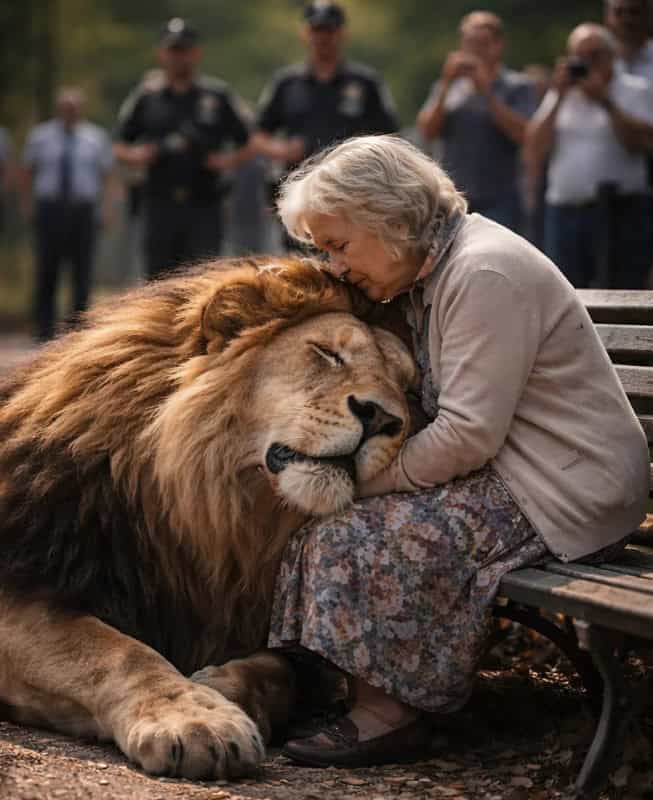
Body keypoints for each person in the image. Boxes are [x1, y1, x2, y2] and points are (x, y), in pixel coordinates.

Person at [266, 134, 649, 767]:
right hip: (522, 472)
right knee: (334, 525)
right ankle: (358, 690)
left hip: (571, 491)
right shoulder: (432, 270)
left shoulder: (481, 271)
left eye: (338, 245)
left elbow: (469, 434)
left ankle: (388, 715)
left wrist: (366, 486)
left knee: (354, 534)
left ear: (389, 218)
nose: (334, 265)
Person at [113, 18, 251, 279]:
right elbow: (120, 145)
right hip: (159, 203)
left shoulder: (216, 95)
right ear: (161, 53)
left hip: (204, 203)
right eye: (173, 50)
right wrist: (138, 155)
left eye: (184, 50)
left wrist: (225, 161)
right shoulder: (147, 97)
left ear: (196, 52)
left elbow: (250, 141)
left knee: (200, 279)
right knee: (157, 282)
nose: (179, 57)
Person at [252, 0, 398, 234]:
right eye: (317, 30)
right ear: (305, 33)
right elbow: (257, 137)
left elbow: (390, 136)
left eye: (329, 30)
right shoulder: (287, 83)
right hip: (300, 189)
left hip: (352, 191)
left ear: (342, 34)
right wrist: (283, 150)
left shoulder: (365, 84)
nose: (323, 37)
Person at [525, 23, 653, 288]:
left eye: (595, 55)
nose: (586, 63)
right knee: (566, 293)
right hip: (565, 212)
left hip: (620, 212)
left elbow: (638, 143)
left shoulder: (635, 89)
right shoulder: (561, 94)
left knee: (623, 291)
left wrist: (605, 101)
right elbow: (534, 145)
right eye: (579, 57)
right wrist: (558, 96)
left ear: (611, 56)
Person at [416, 11, 537, 234]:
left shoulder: (518, 86)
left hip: (500, 198)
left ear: (499, 45)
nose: (475, 51)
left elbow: (524, 134)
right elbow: (426, 130)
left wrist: (487, 93)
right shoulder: (449, 87)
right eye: (469, 43)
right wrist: (445, 84)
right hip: (454, 198)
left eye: (482, 44)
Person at [21, 87, 114, 341]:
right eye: (65, 107)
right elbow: (28, 172)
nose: (70, 111)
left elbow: (106, 176)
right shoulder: (41, 137)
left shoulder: (95, 138)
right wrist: (28, 204)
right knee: (47, 270)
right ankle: (43, 331)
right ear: (58, 109)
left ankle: (76, 331)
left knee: (82, 272)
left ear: (81, 109)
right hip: (50, 210)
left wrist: (106, 208)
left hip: (82, 211)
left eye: (74, 107)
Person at [605, 0, 653, 80]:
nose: (627, 19)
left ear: (649, 15)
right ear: (607, 15)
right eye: (619, 12)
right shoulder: (596, 60)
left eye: (634, 12)